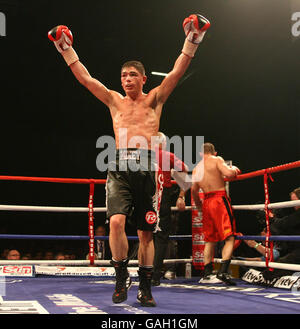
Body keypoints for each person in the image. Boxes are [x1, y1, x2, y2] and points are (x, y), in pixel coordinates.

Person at [48, 14, 210, 307]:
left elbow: (175, 72)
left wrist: (192, 39)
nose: (126, 80)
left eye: (132, 75)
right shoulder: (113, 100)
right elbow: (86, 79)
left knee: (146, 233)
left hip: (147, 169)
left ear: (143, 79)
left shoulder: (155, 99)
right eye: (123, 76)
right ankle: (121, 274)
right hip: (120, 167)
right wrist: (65, 48)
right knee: (115, 223)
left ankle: (145, 286)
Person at [191, 142, 241, 285]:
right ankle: (223, 271)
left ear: (201, 154)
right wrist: (234, 169)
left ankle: (207, 274)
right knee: (230, 237)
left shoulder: (197, 168)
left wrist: (200, 207)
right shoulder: (217, 160)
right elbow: (229, 174)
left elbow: (194, 191)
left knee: (210, 240)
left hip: (206, 202)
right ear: (214, 152)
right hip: (219, 200)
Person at [151, 132, 188, 286]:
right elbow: (185, 169)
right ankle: (155, 274)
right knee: (161, 235)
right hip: (162, 196)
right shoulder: (167, 155)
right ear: (164, 143)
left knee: (146, 234)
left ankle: (146, 272)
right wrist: (181, 195)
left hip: (145, 197)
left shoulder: (144, 156)